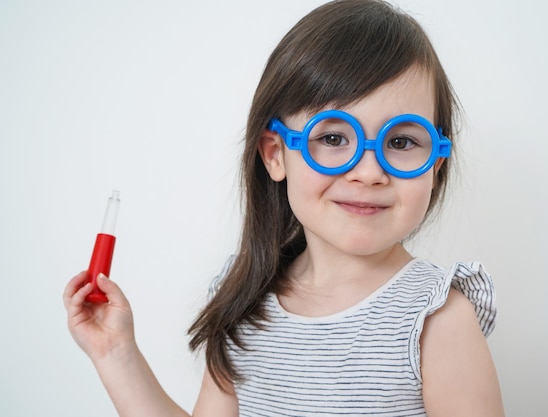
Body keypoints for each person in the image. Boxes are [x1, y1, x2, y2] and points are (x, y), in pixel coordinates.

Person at [63, 0, 505, 416]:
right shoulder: (247, 300)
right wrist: (115, 353)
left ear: (436, 162)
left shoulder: (437, 318)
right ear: (276, 154)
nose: (369, 172)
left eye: (402, 142)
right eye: (333, 138)